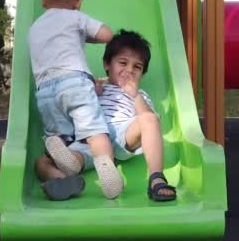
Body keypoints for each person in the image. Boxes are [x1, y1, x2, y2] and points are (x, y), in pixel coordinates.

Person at [35, 30, 177, 202]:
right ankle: (64, 180)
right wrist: (89, 93)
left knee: (150, 118)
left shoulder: (139, 94)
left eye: (137, 67)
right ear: (107, 64)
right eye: (123, 63)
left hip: (123, 134)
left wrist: (134, 95)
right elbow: (75, 111)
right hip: (92, 137)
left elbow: (147, 119)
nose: (129, 71)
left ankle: (157, 179)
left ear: (142, 73)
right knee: (42, 162)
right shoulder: (91, 86)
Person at [28, 0, 123, 200]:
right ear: (78, 2)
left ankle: (58, 176)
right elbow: (107, 35)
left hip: (45, 94)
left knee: (56, 145)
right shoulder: (76, 17)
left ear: (43, 1)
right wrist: (84, 31)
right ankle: (107, 172)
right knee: (95, 132)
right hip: (74, 84)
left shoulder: (34, 28)